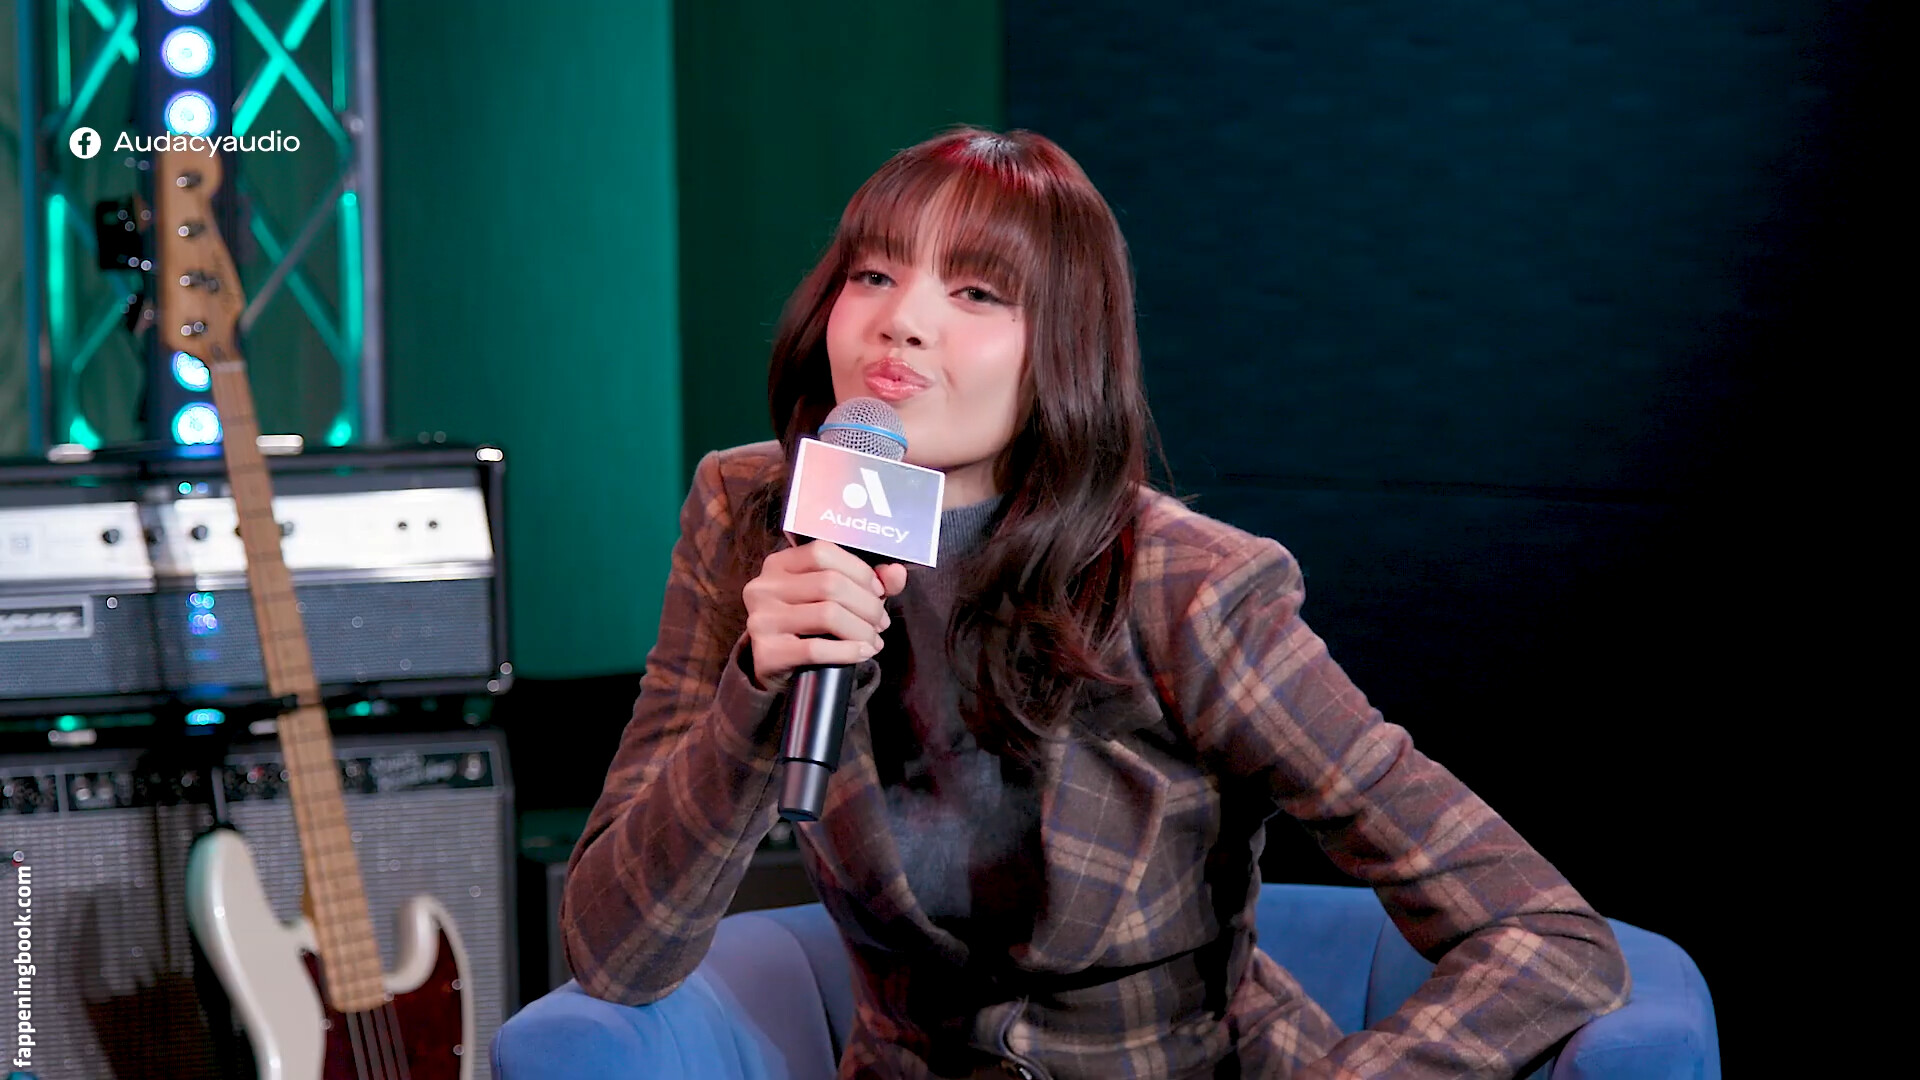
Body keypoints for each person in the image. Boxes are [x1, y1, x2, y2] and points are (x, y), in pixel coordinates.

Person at [561, 126, 1629, 1079]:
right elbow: (613, 954)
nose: (902, 323)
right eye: (873, 275)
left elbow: (1547, 937)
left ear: (1064, 344)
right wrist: (757, 693)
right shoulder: (751, 512)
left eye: (977, 293)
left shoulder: (1188, 586)